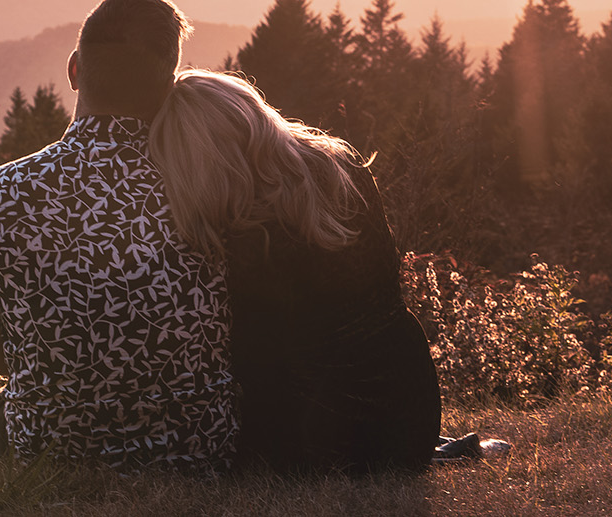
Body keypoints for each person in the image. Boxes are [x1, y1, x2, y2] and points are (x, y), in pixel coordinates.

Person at [0, 0, 238, 473]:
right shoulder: (212, 187)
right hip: (197, 447)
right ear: (170, 87)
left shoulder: (1, 191)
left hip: (53, 450)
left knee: (6, 397)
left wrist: (75, 358)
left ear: (74, 71)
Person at [148, 68, 442, 473]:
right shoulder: (344, 169)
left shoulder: (245, 238)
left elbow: (251, 359)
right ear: (254, 115)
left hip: (309, 441)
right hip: (409, 419)